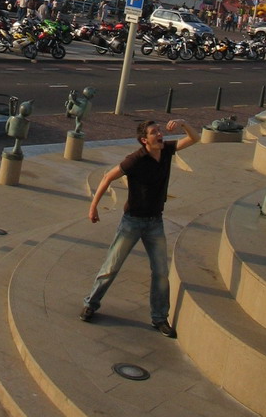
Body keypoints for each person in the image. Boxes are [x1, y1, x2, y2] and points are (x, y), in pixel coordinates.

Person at [80, 117, 199, 337]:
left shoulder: (166, 151)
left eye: (160, 131)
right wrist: (93, 206)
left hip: (155, 222)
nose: (160, 134)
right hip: (132, 221)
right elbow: (107, 177)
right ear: (145, 140)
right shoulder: (135, 160)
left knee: (161, 272)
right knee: (111, 267)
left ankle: (159, 318)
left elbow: (195, 138)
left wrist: (183, 123)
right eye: (155, 132)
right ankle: (91, 304)